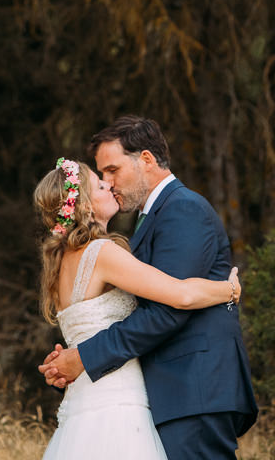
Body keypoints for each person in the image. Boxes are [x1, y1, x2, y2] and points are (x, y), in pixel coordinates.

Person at [39, 116, 258, 460]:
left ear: (145, 159)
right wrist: (229, 290)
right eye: (101, 179)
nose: (109, 183)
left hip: (193, 390)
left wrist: (82, 356)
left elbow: (168, 311)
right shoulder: (114, 243)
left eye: (112, 171)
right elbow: (177, 296)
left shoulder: (182, 209)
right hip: (155, 397)